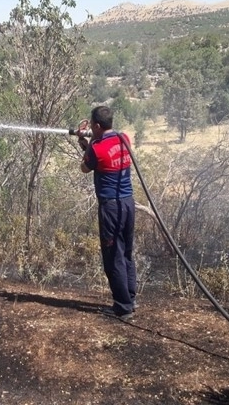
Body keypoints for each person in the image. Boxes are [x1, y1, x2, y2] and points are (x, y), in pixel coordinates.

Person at [77, 106, 137, 320]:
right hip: (128, 204)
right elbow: (94, 157)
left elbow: (85, 167)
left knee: (113, 256)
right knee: (126, 252)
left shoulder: (97, 148)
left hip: (111, 207)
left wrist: (85, 141)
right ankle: (130, 297)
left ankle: (123, 306)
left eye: (92, 126)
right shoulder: (124, 139)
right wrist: (88, 141)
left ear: (97, 126)